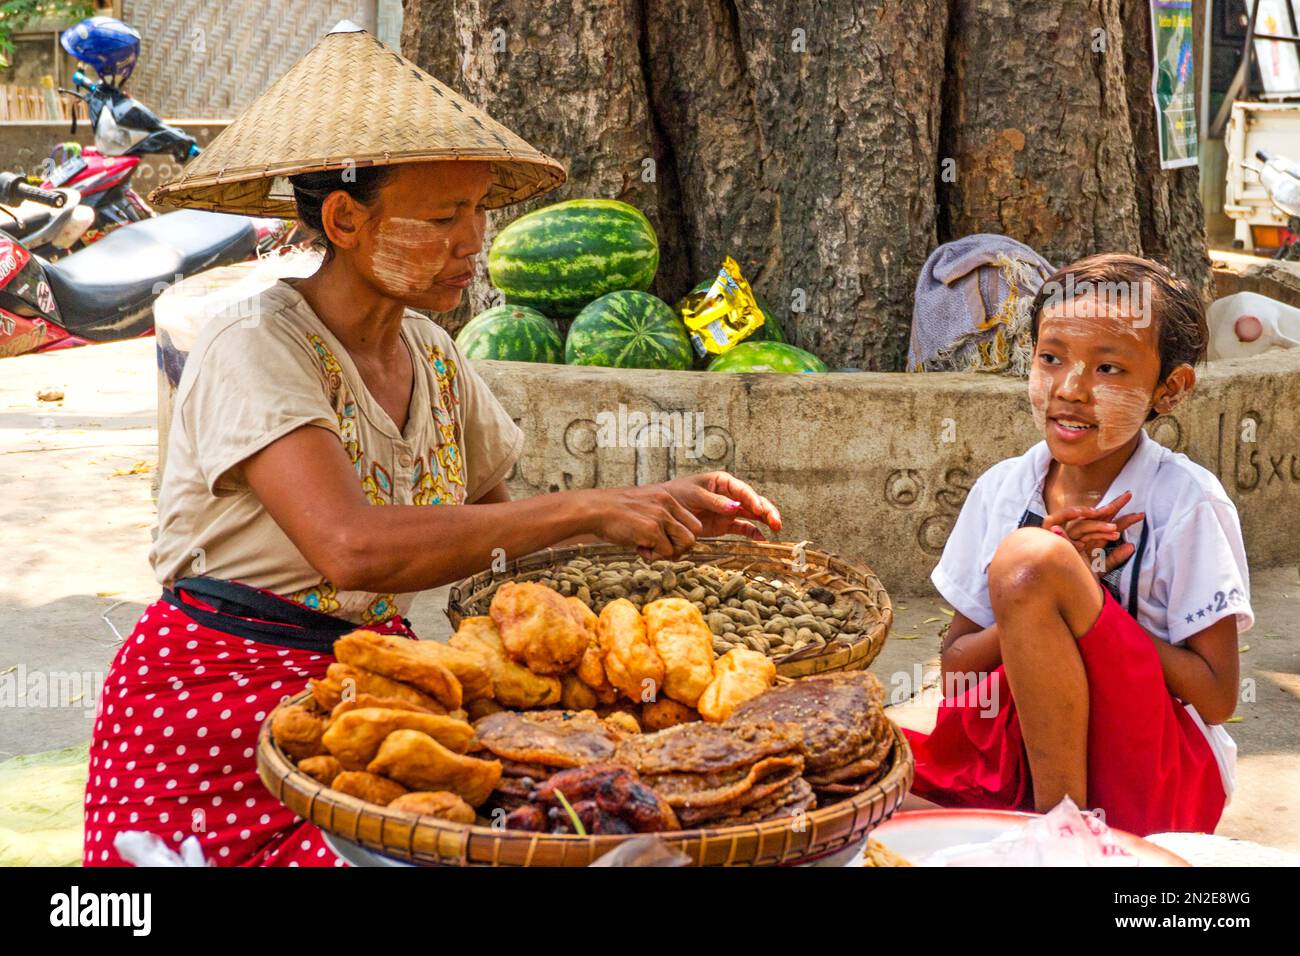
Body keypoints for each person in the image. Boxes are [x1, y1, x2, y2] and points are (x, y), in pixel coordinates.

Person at [83, 27, 780, 867]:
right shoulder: (256, 342)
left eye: (481, 212)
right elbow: (349, 547)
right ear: (345, 218)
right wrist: (590, 505)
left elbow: (501, 531)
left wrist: (650, 512)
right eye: (446, 217)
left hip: (380, 688)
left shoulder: (433, 355)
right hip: (214, 700)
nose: (474, 242)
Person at [904, 253, 1251, 836]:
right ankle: (1037, 823)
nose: (1070, 389)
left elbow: (1216, 697)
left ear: (1171, 388)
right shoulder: (1002, 488)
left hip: (1153, 773)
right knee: (837, 783)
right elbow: (958, 668)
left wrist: (1084, 598)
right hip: (1019, 754)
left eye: (1109, 369)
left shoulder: (1185, 502)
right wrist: (1039, 599)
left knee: (1031, 559)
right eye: (1050, 358)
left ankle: (1061, 836)